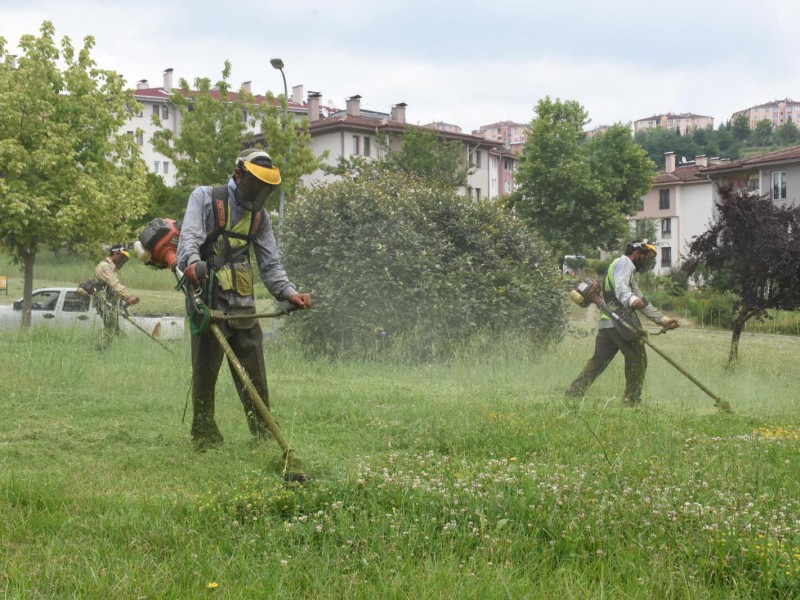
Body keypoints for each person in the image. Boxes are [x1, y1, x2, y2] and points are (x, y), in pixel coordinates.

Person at [177, 149, 312, 448]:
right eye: (256, 186)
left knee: (254, 371)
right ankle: (205, 435)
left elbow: (271, 265)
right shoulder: (205, 197)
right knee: (206, 369)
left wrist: (291, 293)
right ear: (239, 174)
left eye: (266, 189)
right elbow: (189, 237)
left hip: (241, 299)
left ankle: (262, 434)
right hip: (208, 294)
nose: (260, 194)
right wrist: (191, 263)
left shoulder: (260, 218)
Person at [565, 241, 679, 406]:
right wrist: (632, 300)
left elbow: (642, 301)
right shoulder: (624, 263)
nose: (647, 260)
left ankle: (574, 392)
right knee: (637, 358)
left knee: (598, 361)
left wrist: (662, 320)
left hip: (607, 323)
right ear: (638, 252)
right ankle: (631, 400)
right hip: (620, 322)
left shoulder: (628, 272)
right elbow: (620, 289)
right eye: (647, 256)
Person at [94, 245, 139, 350]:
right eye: (122, 257)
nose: (123, 261)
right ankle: (101, 349)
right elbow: (115, 284)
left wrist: (124, 298)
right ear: (116, 253)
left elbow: (114, 289)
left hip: (110, 302)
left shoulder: (112, 268)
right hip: (103, 301)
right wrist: (128, 296)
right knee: (110, 327)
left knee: (114, 328)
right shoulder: (104, 266)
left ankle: (112, 349)